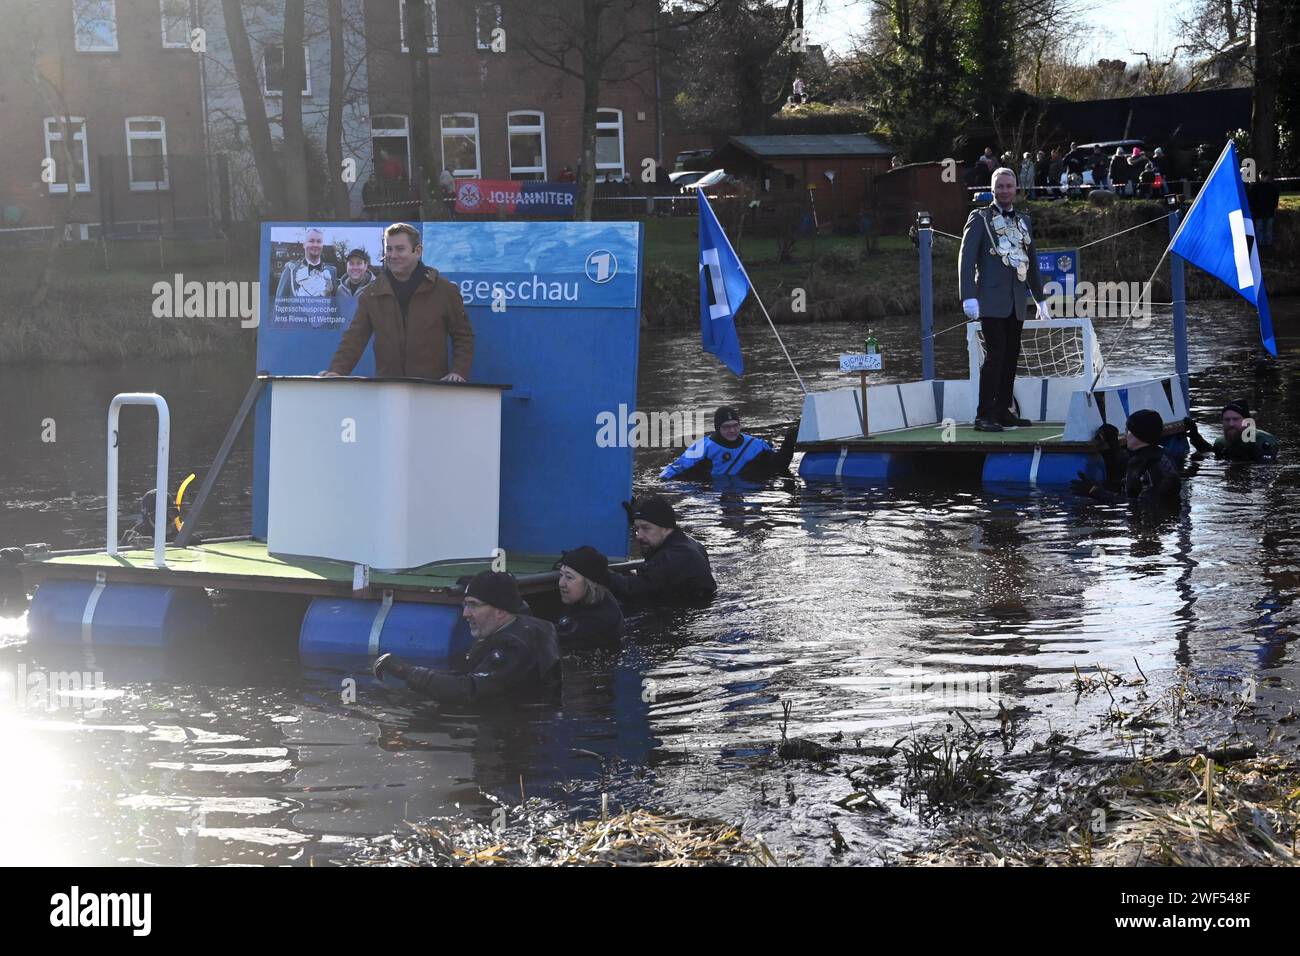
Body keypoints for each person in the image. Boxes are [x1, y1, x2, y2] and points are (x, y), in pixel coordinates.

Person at [372, 571, 560, 706]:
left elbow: (469, 691)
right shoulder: (527, 623)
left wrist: (407, 672)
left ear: (501, 611)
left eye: (473, 605)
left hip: (513, 730)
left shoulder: (514, 647)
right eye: (465, 605)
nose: (465, 614)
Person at [321, 222, 474, 381]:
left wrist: (459, 372)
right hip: (388, 392)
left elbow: (463, 337)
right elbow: (355, 338)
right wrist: (337, 371)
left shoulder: (444, 290)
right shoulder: (372, 293)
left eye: (400, 249)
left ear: (418, 251)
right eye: (389, 249)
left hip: (433, 390)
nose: (393, 255)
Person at [959, 168, 1050, 432]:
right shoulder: (980, 218)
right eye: (1000, 186)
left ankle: (1003, 410)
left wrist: (1040, 298)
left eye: (1009, 186)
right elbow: (965, 261)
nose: (1005, 190)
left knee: (1011, 356)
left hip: (1016, 301)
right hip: (990, 300)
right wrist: (969, 297)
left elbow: (1031, 262)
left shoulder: (1023, 221)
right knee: (995, 355)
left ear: (1016, 189)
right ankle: (984, 414)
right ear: (992, 188)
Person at [609, 495, 717, 605]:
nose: (638, 536)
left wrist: (601, 572)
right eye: (637, 528)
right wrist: (639, 518)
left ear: (666, 529)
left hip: (689, 612)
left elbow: (632, 589)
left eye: (645, 528)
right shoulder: (684, 541)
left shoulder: (674, 557)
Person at [1071, 410, 1181, 509]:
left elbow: (1144, 505)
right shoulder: (1160, 454)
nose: (1125, 435)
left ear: (1137, 435)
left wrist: (1097, 493)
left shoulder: (1150, 464)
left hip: (1150, 524)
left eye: (1128, 430)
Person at [660, 407, 798, 481]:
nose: (732, 430)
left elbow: (779, 466)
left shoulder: (756, 445)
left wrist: (789, 442)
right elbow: (672, 471)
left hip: (746, 490)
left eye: (735, 425)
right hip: (713, 491)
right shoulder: (702, 447)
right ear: (717, 428)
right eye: (726, 427)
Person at [554, 546, 625, 646]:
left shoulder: (600, 619)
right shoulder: (581, 599)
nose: (561, 583)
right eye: (561, 575)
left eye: (569, 577)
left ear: (590, 583)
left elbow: (557, 636)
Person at [1186, 400, 1280, 462]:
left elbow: (1264, 471)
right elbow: (1211, 452)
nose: (1231, 424)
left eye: (1235, 419)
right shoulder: (1220, 442)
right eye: (1227, 420)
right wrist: (1195, 436)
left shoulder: (1262, 440)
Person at [275, 227, 336, 298]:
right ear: (304, 245)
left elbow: (334, 304)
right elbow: (279, 305)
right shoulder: (291, 270)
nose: (315, 244)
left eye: (319, 241)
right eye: (311, 241)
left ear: (322, 245)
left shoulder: (331, 271)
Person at [1251, 170, 1279, 250]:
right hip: (1261, 212)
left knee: (1266, 229)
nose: (1263, 178)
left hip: (1266, 212)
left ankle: (1266, 245)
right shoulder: (1256, 187)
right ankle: (1262, 245)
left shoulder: (1271, 187)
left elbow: (1275, 199)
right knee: (1262, 229)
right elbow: (1252, 199)